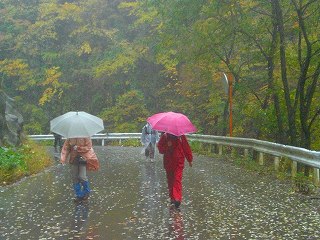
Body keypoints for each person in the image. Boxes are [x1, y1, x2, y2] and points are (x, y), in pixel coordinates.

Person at [157, 133, 193, 208]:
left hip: (179, 162)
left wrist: (189, 159)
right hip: (168, 162)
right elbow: (160, 149)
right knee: (170, 180)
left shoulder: (181, 136)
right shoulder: (165, 136)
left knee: (177, 179)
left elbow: (186, 147)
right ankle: (172, 198)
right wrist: (167, 145)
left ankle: (177, 198)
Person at [60, 137, 99, 203]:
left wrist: (79, 148)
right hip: (73, 159)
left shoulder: (86, 136)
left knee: (82, 177)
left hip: (83, 159)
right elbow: (66, 148)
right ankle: (79, 195)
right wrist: (63, 159)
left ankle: (86, 193)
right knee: (75, 178)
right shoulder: (70, 137)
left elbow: (89, 147)